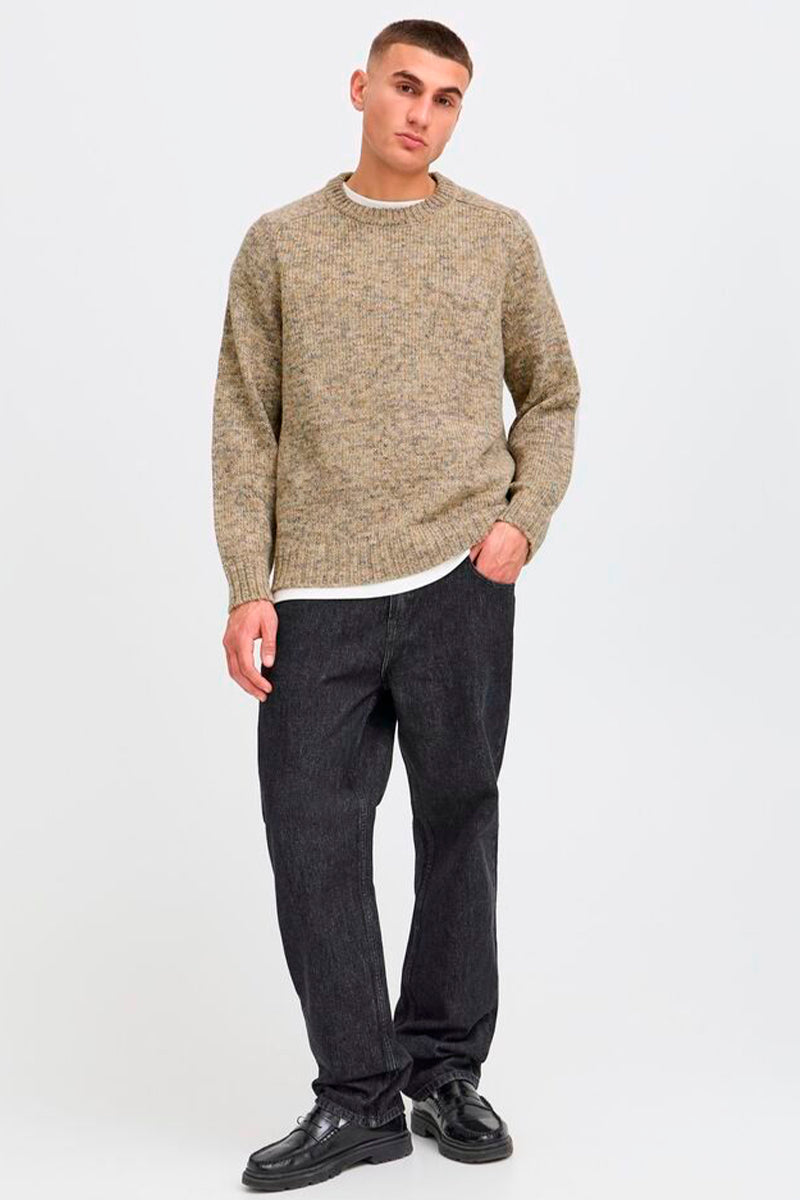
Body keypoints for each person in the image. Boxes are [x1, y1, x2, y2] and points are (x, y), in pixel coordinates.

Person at [211, 18, 581, 1192]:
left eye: (446, 97)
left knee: (457, 822)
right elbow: (245, 424)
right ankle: (358, 1097)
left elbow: (551, 394)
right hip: (317, 594)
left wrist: (520, 521)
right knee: (310, 838)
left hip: (457, 582)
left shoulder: (494, 238)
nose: (421, 113)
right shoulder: (279, 244)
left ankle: (443, 1070)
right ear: (360, 88)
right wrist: (247, 582)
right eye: (405, 87)